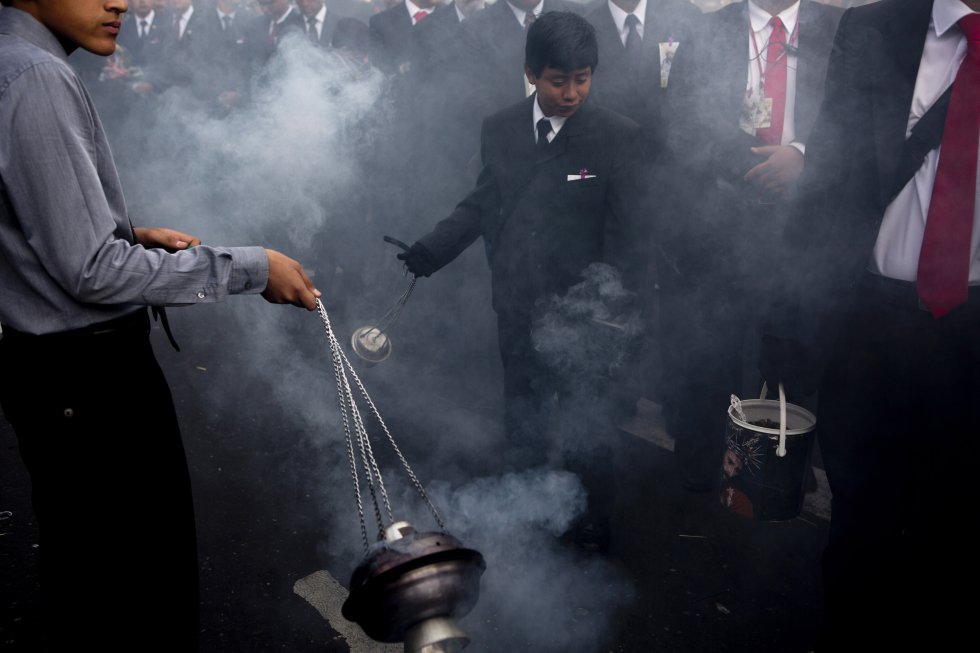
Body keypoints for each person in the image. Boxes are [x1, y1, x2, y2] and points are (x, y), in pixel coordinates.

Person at [0, 1, 320, 651]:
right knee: (134, 603)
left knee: (94, 588)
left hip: (56, 377)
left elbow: (33, 227)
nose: (120, 0)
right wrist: (254, 268)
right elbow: (91, 271)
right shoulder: (33, 75)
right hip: (88, 387)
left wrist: (125, 233)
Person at [760, 0, 980, 648]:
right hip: (872, 324)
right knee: (862, 522)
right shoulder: (875, 28)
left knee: (956, 527)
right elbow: (828, 178)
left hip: (973, 336)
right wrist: (787, 318)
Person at [396, 10, 651, 553]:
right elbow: (483, 203)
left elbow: (629, 234)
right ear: (532, 73)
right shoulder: (501, 127)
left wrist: (620, 309)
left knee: (588, 425)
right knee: (526, 416)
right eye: (560, 80)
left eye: (583, 78)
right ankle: (528, 512)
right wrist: (430, 251)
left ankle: (592, 520)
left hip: (588, 312)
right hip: (516, 302)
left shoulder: (617, 136)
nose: (572, 92)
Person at [660, 0, 841, 490]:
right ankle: (695, 483)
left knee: (792, 357)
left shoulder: (839, 28)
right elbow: (679, 125)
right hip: (719, 218)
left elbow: (859, 119)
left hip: (805, 225)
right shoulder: (706, 32)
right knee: (709, 354)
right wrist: (755, 167)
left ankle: (781, 477)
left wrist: (801, 158)